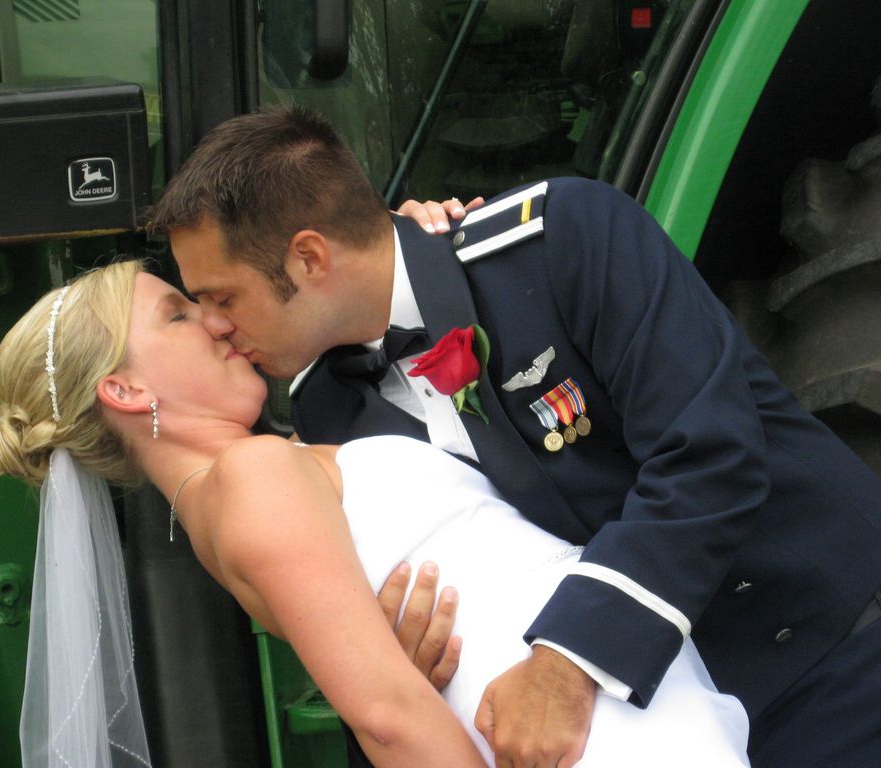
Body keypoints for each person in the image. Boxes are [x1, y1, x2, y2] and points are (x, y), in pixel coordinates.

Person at [146, 105, 881, 768]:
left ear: (309, 257)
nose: (215, 324)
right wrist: (409, 660)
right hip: (639, 732)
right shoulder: (325, 410)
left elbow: (711, 454)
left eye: (221, 297)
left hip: (817, 651)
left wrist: (568, 663)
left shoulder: (563, 240)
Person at [0, 261, 752, 768]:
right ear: (127, 391)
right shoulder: (251, 476)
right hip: (584, 730)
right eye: (178, 316)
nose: (215, 321)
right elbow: (387, 715)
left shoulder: (238, 494)